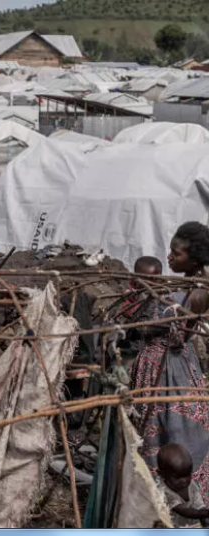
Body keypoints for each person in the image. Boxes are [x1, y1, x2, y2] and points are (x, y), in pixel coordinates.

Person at [130, 222, 209, 504]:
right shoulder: (185, 285)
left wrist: (146, 321)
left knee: (171, 425)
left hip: (168, 368)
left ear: (194, 258)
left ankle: (176, 497)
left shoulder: (195, 292)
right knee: (165, 426)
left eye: (176, 254)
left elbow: (169, 332)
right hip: (165, 364)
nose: (169, 257)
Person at [157, 443, 209, 527]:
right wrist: (205, 513)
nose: (184, 481)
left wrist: (204, 517)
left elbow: (199, 504)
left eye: (188, 475)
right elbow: (185, 512)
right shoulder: (164, 492)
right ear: (162, 475)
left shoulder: (190, 483)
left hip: (194, 520)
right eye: (178, 477)